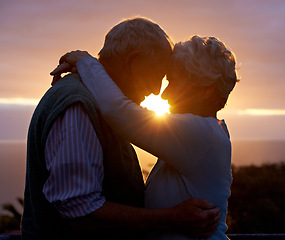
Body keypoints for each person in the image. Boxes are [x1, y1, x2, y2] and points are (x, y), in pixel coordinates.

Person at [22, 18, 220, 240]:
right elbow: (80, 210)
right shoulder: (77, 105)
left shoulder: (96, 103)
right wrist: (171, 218)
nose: (157, 91)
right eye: (157, 76)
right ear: (134, 61)